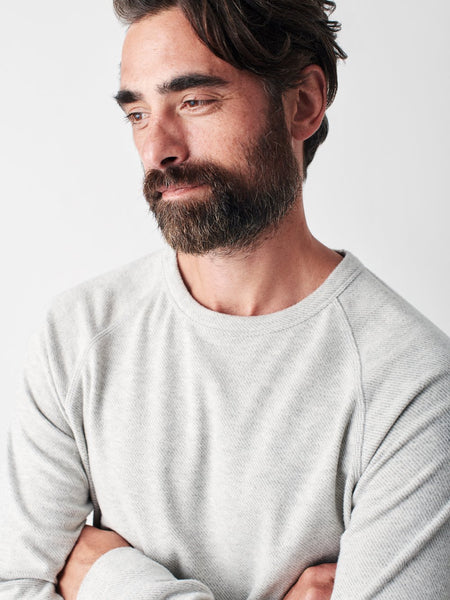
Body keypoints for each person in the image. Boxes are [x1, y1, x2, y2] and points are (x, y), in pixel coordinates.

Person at [1, 1, 449, 599]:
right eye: (137, 113)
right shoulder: (77, 336)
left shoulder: (414, 386)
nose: (156, 149)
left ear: (303, 103)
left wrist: (104, 577)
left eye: (194, 101)